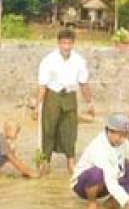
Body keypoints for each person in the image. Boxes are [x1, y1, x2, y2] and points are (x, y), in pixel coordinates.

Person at [35, 29, 94, 175]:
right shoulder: (48, 60)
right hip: (52, 95)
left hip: (70, 96)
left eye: (69, 43)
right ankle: (45, 161)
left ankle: (70, 162)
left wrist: (90, 102)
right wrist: (37, 105)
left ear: (73, 44)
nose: (66, 46)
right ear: (58, 43)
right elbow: (42, 85)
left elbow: (84, 84)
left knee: (70, 129)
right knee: (48, 128)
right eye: (63, 43)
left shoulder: (79, 61)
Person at [72, 113, 129, 209]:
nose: (123, 139)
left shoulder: (122, 142)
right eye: (120, 135)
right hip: (84, 185)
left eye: (125, 135)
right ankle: (92, 203)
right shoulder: (98, 148)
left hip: (109, 181)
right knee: (96, 173)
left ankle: (111, 203)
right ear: (110, 131)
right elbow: (110, 179)